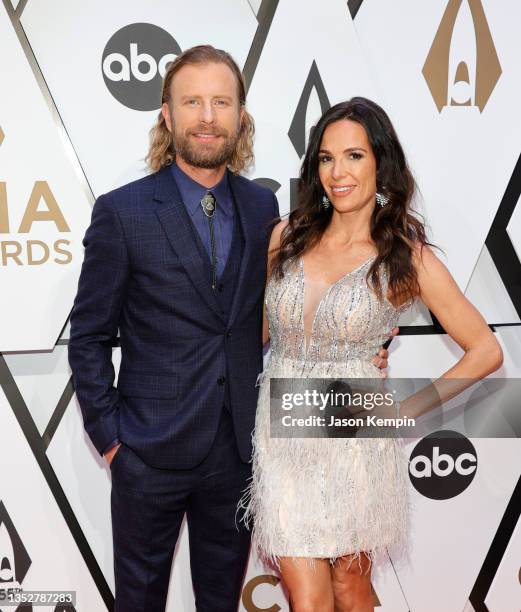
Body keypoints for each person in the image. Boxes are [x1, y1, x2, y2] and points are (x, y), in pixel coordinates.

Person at [68, 45, 391, 611]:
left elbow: (298, 299)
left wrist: (364, 347)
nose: (208, 116)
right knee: (138, 602)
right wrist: (113, 440)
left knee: (220, 601)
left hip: (241, 452)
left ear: (242, 116)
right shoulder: (123, 212)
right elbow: (90, 335)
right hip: (147, 450)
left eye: (222, 101)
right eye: (192, 102)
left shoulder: (262, 204)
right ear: (167, 116)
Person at [240, 97, 503, 612]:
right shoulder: (285, 237)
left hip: (355, 436)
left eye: (354, 156)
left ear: (380, 163)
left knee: (349, 588)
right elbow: (254, 338)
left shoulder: (404, 254)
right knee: (309, 599)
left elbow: (486, 350)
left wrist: (400, 412)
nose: (338, 172)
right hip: (284, 427)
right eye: (326, 157)